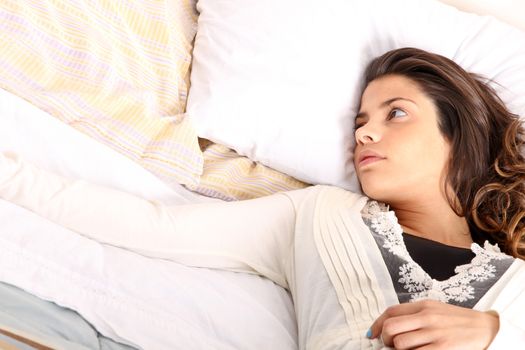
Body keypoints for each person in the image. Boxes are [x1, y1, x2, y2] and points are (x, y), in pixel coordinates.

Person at [1, 47, 524, 349]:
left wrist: (495, 335)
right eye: (360, 122)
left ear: (458, 133)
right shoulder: (319, 215)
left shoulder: (517, 278)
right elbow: (151, 225)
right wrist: (11, 176)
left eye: (396, 113)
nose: (364, 134)